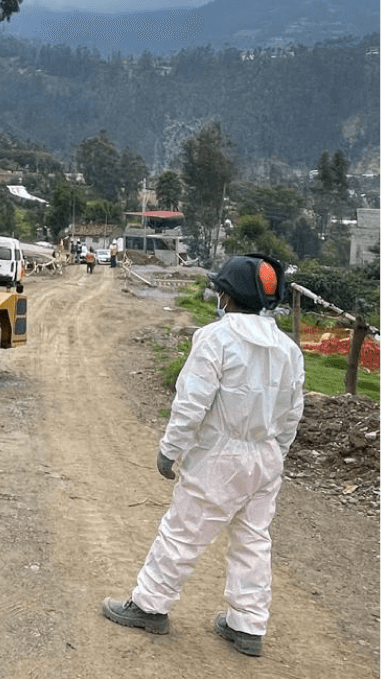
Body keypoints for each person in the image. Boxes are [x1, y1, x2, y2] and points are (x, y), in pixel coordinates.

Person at [102, 253, 304, 657]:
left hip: (220, 455)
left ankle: (149, 606)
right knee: (253, 541)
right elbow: (292, 412)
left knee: (184, 530)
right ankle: (248, 625)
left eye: (221, 291)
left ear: (228, 295)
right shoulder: (288, 349)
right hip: (265, 457)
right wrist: (275, 454)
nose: (218, 297)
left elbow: (191, 402)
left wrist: (170, 450)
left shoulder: (216, 338)